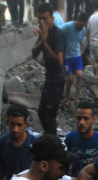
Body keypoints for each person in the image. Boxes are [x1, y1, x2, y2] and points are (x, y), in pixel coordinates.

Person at [32, 3, 66, 135]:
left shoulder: (58, 34)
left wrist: (45, 43)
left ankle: (52, 145)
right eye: (40, 18)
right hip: (49, 80)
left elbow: (59, 60)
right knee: (41, 113)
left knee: (50, 117)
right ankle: (49, 138)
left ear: (51, 18)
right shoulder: (43, 34)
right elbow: (33, 53)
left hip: (57, 81)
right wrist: (42, 40)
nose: (42, 21)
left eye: (45, 18)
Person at [0, 103, 38, 180]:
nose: (15, 129)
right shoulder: (3, 142)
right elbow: (0, 168)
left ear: (26, 125)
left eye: (19, 125)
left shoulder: (35, 143)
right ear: (7, 123)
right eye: (12, 124)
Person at [61, 13, 88, 105]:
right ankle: (67, 97)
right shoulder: (68, 26)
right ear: (77, 20)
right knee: (70, 78)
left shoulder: (83, 30)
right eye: (80, 24)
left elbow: (79, 42)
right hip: (67, 57)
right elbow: (57, 32)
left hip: (77, 56)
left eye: (84, 25)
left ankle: (77, 97)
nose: (81, 27)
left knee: (80, 75)